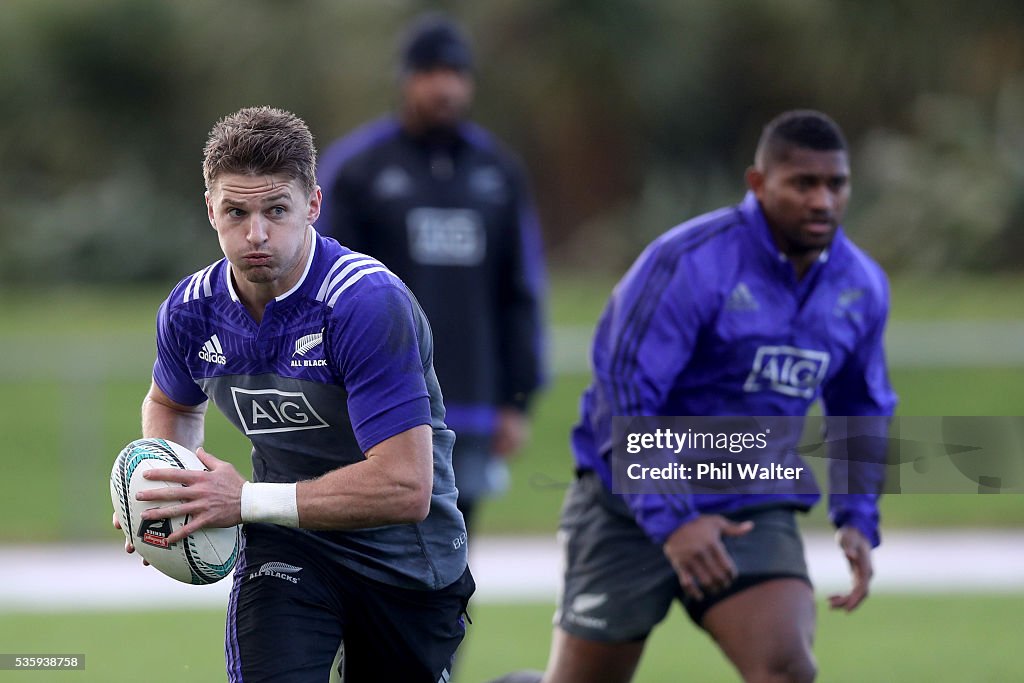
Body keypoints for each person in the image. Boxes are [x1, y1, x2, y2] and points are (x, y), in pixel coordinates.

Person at [491, 110, 897, 683]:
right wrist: (674, 520)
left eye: (836, 184)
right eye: (803, 183)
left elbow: (862, 404)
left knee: (787, 669)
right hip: (629, 505)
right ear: (758, 183)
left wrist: (857, 515)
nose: (822, 201)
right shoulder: (688, 263)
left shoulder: (861, 285)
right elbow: (624, 398)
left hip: (749, 503)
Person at [113, 106, 474, 682]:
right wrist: (165, 485)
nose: (255, 234)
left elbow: (407, 487)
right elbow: (172, 402)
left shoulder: (363, 302)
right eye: (236, 211)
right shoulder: (190, 311)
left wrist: (244, 500)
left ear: (312, 205)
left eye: (276, 210)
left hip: (406, 559)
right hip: (289, 549)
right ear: (211, 210)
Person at [316, 13, 547, 534]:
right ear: (406, 79)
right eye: (430, 72)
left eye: (456, 73)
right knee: (375, 550)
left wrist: (517, 398)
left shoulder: (498, 172)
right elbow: (321, 288)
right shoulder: (358, 169)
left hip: (469, 405)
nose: (444, 86)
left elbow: (520, 288)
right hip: (376, 400)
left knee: (452, 556)